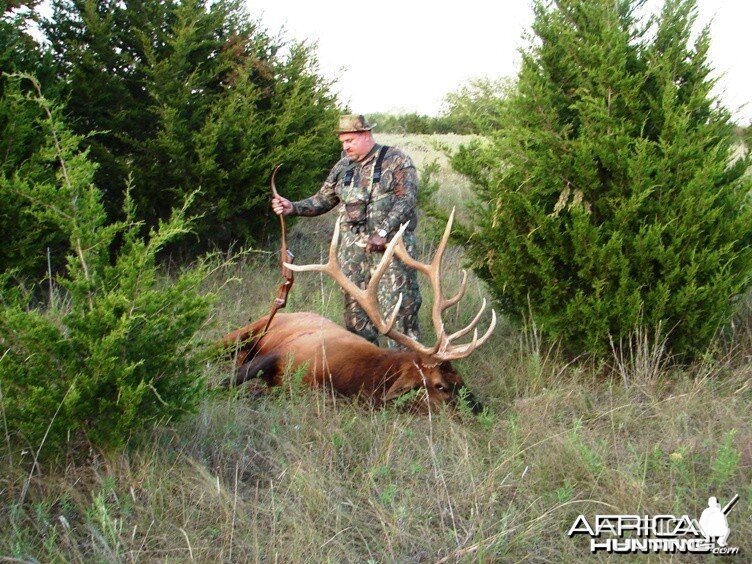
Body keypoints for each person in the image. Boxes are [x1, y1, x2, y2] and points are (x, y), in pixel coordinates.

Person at [271, 114, 422, 348]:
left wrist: (383, 232)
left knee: (400, 312)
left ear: (366, 135)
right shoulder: (343, 166)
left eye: (350, 140)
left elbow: (407, 200)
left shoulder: (397, 160)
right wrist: (293, 207)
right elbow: (323, 199)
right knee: (356, 319)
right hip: (352, 257)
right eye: (343, 142)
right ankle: (368, 373)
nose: (345, 146)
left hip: (391, 253)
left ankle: (410, 374)